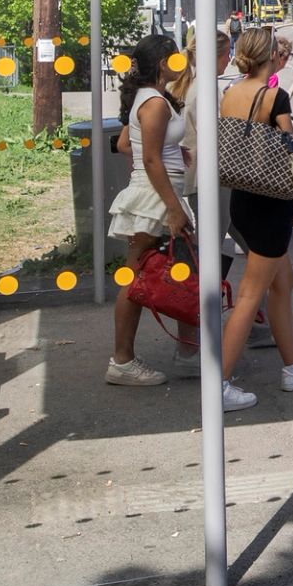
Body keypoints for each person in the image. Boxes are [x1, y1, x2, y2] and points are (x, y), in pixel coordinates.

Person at [215, 26, 293, 409]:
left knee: (283, 282)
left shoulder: (231, 92)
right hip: (271, 202)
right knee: (252, 294)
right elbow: (290, 148)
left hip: (243, 199)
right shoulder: (275, 96)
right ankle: (219, 384)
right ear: (271, 55)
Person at [105, 34, 193, 386]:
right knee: (138, 275)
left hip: (157, 190)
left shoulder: (149, 98)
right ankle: (123, 361)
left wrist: (173, 154)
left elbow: (128, 143)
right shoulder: (155, 102)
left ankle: (188, 352)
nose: (180, 63)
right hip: (158, 195)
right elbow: (149, 156)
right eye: (174, 58)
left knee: (175, 268)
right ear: (161, 63)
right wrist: (173, 206)